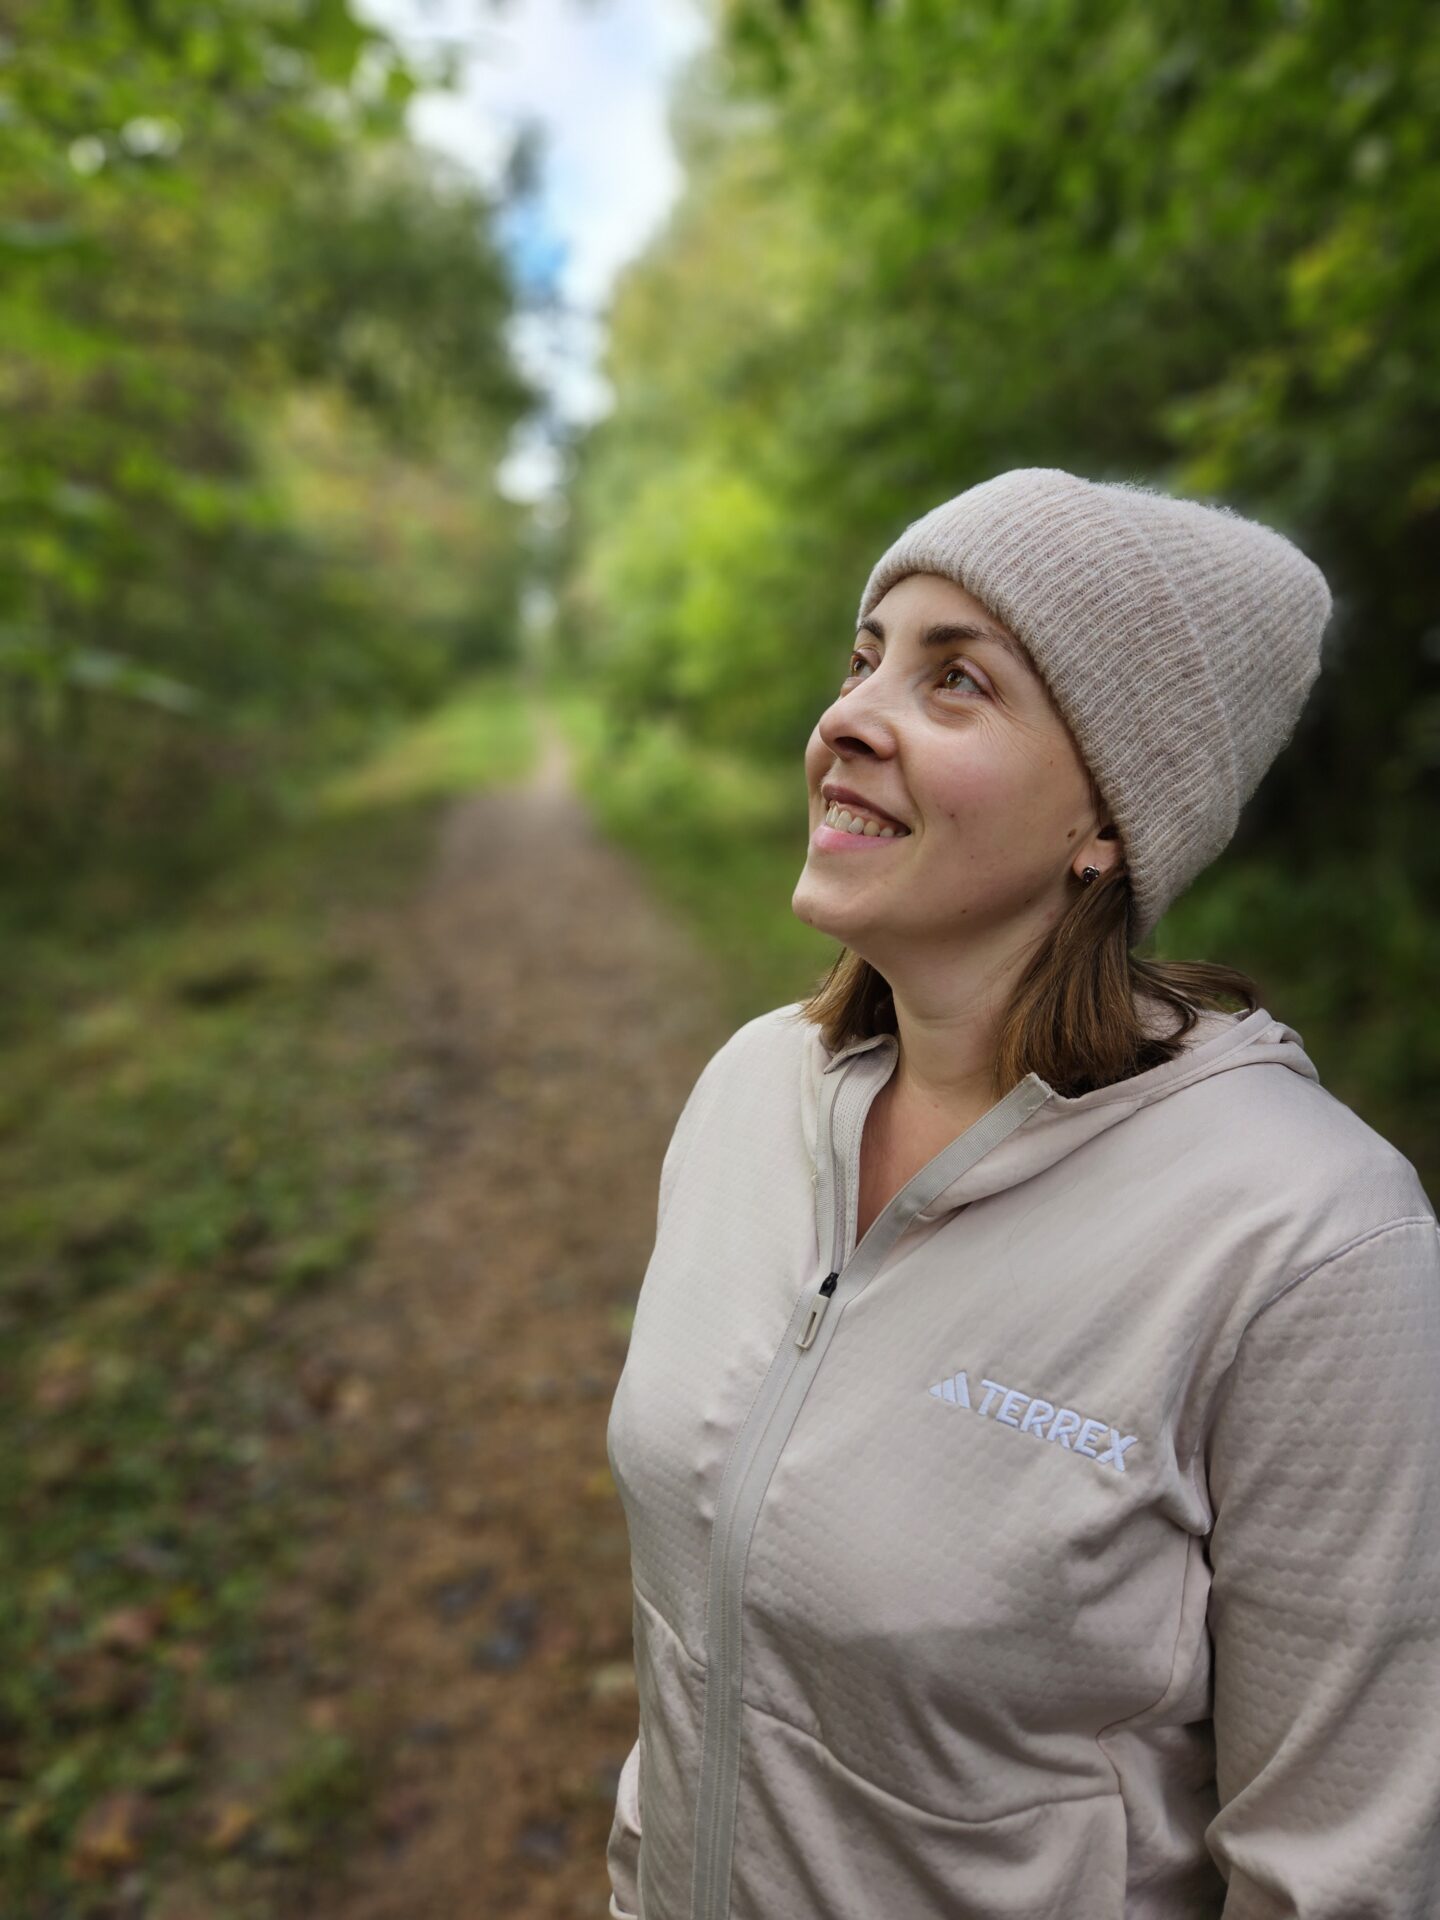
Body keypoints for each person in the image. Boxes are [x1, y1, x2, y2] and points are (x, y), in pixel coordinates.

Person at [602, 468, 1440, 1920]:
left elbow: (1349, 1872)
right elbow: (695, 1653)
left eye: (958, 681)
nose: (850, 715)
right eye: (867, 658)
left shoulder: (1312, 1244)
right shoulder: (751, 1092)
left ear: (1106, 820)